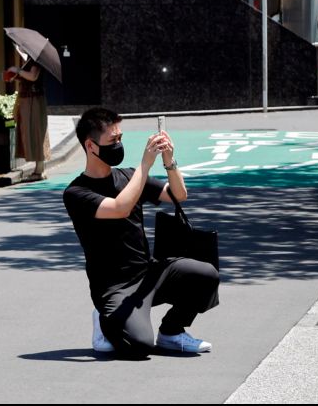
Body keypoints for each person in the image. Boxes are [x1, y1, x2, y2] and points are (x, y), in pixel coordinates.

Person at [63, 108, 219, 358]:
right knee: (140, 345)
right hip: (114, 288)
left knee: (206, 274)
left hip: (148, 274)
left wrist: (169, 160)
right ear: (91, 146)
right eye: (113, 140)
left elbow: (179, 195)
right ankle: (105, 319)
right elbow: (120, 208)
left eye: (121, 138)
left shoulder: (128, 177)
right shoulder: (76, 193)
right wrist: (145, 165)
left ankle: (171, 332)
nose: (119, 144)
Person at [6, 59, 50, 180]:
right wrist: (15, 76)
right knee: (32, 131)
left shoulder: (36, 60)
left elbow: (33, 76)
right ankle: (39, 170)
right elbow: (28, 78)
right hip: (29, 98)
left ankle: (39, 171)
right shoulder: (31, 60)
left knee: (35, 130)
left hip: (33, 99)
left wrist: (18, 70)